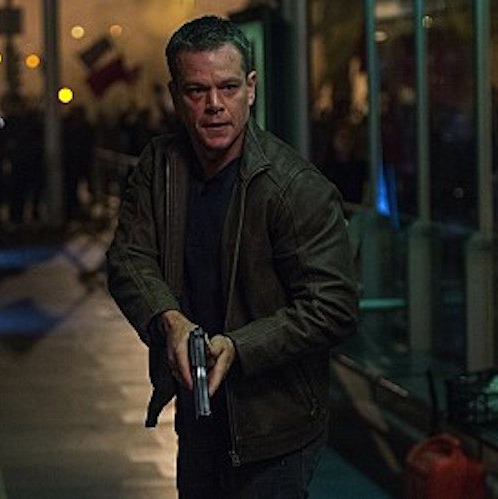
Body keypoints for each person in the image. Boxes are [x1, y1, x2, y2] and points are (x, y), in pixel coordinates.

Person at [106, 15, 358, 498]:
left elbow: (334, 306)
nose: (215, 105)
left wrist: (240, 347)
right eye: (197, 90)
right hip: (199, 413)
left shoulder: (293, 187)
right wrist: (170, 319)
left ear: (251, 88)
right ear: (175, 95)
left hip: (274, 425)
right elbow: (128, 259)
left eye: (227, 87)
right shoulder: (161, 168)